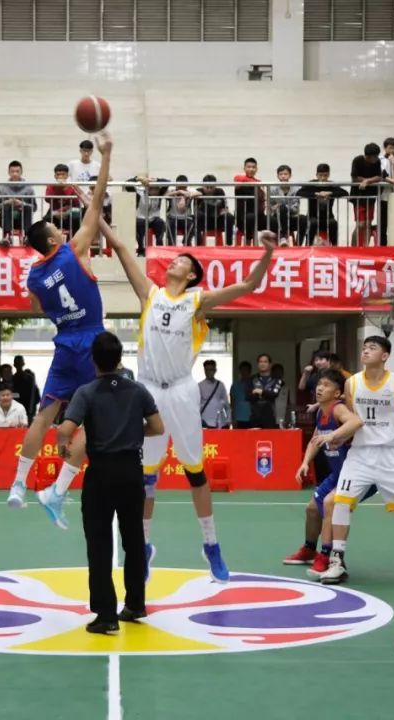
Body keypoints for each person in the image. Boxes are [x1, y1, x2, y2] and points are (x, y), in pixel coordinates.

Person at [106, 222, 274, 581]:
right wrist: (96, 207)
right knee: (146, 477)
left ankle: (211, 545)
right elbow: (120, 247)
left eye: (182, 260)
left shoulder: (196, 301)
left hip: (182, 391)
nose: (174, 261)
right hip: (148, 390)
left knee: (195, 472)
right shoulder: (150, 294)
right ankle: (143, 546)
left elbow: (248, 285)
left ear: (192, 274)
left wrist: (268, 252)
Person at [5, 132, 113, 522]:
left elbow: (36, 307)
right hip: (92, 341)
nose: (61, 229)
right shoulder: (73, 250)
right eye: (56, 227)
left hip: (65, 342)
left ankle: (18, 483)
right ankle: (57, 490)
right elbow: (97, 203)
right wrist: (105, 156)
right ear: (53, 238)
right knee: (98, 420)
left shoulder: (35, 277)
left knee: (44, 416)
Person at [56, 331, 164, 633]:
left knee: (100, 543)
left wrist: (62, 445)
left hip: (100, 474)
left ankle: (105, 615)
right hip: (131, 472)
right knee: (134, 540)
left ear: (93, 360)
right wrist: (133, 431)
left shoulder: (86, 392)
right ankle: (136, 604)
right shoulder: (138, 391)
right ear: (119, 359)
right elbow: (157, 427)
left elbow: (65, 429)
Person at [318, 335, 394, 585]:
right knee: (340, 501)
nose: (366, 351)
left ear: (385, 356)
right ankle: (337, 561)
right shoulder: (352, 383)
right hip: (361, 453)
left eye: (372, 348)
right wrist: (341, 436)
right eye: (364, 347)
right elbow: (352, 418)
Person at [282, 370, 366, 566]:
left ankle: (326, 555)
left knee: (330, 504)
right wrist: (305, 462)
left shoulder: (338, 409)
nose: (320, 388)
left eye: (326, 385)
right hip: (337, 474)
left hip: (355, 475)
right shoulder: (321, 412)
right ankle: (309, 550)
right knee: (312, 508)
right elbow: (315, 440)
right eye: (319, 384)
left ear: (337, 393)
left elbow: (356, 421)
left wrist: (333, 435)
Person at [249, 353, 283, 429]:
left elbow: (274, 394)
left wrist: (260, 392)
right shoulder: (251, 379)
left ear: (270, 364)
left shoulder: (276, 379)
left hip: (270, 417)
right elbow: (248, 396)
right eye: (260, 362)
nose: (262, 364)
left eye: (265, 362)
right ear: (257, 364)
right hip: (255, 417)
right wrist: (266, 394)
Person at [198, 360, 230, 429]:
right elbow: (196, 405)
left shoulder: (220, 385)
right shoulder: (200, 385)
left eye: (211, 370)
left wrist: (228, 419)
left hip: (219, 422)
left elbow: (226, 405)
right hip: (205, 422)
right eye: (206, 370)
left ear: (215, 370)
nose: (208, 372)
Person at [230, 361, 253, 428]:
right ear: (240, 371)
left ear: (249, 371)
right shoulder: (235, 385)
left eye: (246, 370)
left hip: (251, 418)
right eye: (242, 370)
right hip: (238, 418)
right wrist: (233, 418)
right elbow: (232, 403)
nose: (244, 372)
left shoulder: (254, 385)